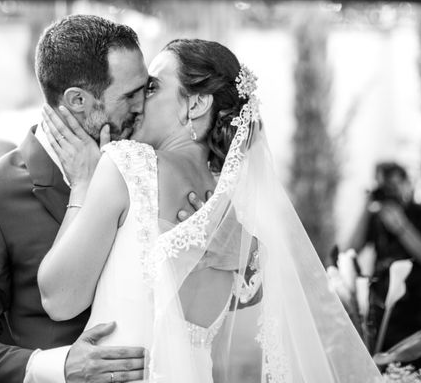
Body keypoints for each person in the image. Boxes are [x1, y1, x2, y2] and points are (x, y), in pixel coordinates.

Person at [38, 39, 383, 382]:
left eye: (154, 87)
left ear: (198, 103)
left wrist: (84, 183)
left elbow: (58, 300)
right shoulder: (234, 212)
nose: (140, 99)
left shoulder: (129, 166)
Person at [0, 15, 155, 383]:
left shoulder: (145, 167)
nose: (142, 106)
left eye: (146, 90)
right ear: (78, 100)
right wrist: (59, 366)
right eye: (130, 95)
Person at [347, 162, 421, 366]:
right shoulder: (377, 217)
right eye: (384, 188)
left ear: (407, 183)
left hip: (412, 314)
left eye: (393, 185)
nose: (389, 193)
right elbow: (350, 250)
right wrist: (367, 208)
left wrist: (401, 227)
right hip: (377, 316)